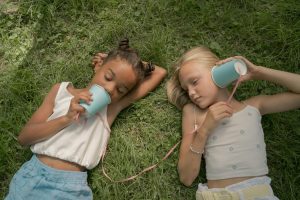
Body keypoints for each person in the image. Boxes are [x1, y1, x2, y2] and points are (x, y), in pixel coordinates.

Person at [5, 38, 167, 200]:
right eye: (108, 77)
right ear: (98, 66)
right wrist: (66, 119)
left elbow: (160, 72)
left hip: (73, 189)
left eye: (121, 90)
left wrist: (134, 65)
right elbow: (24, 138)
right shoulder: (61, 91)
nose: (110, 89)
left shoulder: (110, 108)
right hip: (34, 176)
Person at [167, 46, 300, 200]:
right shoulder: (193, 113)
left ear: (217, 71)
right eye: (186, 89)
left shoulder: (254, 106)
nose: (190, 92)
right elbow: (186, 177)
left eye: (194, 82)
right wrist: (204, 130)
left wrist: (259, 72)